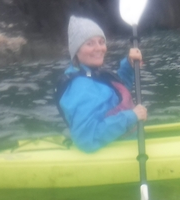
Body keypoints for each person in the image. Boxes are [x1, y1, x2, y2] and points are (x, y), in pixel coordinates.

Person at [55, 16, 148, 153]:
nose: (99, 48)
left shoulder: (91, 73)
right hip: (115, 149)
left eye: (101, 42)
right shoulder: (81, 88)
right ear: (76, 51)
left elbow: (116, 95)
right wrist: (131, 116)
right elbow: (87, 140)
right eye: (90, 43)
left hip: (123, 138)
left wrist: (129, 65)